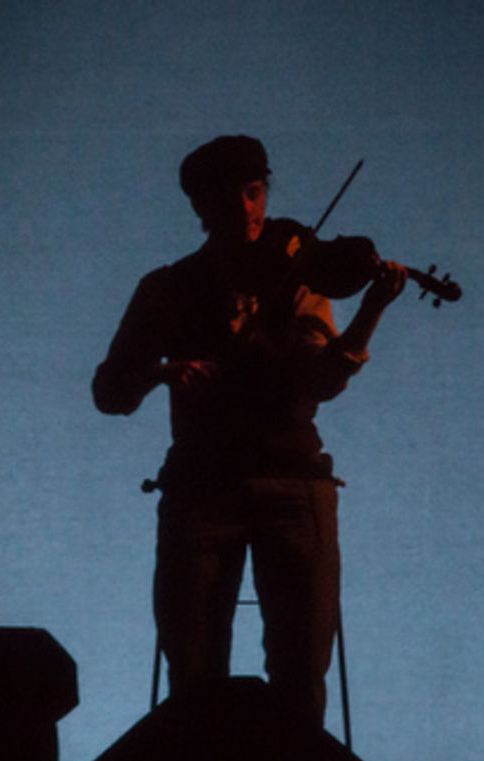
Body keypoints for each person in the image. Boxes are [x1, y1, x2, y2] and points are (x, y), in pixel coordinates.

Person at [93, 135, 406, 725]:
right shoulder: (166, 288)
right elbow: (108, 391)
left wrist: (372, 310)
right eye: (228, 197)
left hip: (293, 480)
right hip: (201, 487)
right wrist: (165, 372)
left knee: (300, 674)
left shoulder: (300, 271)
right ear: (199, 208)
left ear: (265, 192)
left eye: (255, 192)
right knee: (193, 672)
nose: (245, 209)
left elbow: (323, 381)